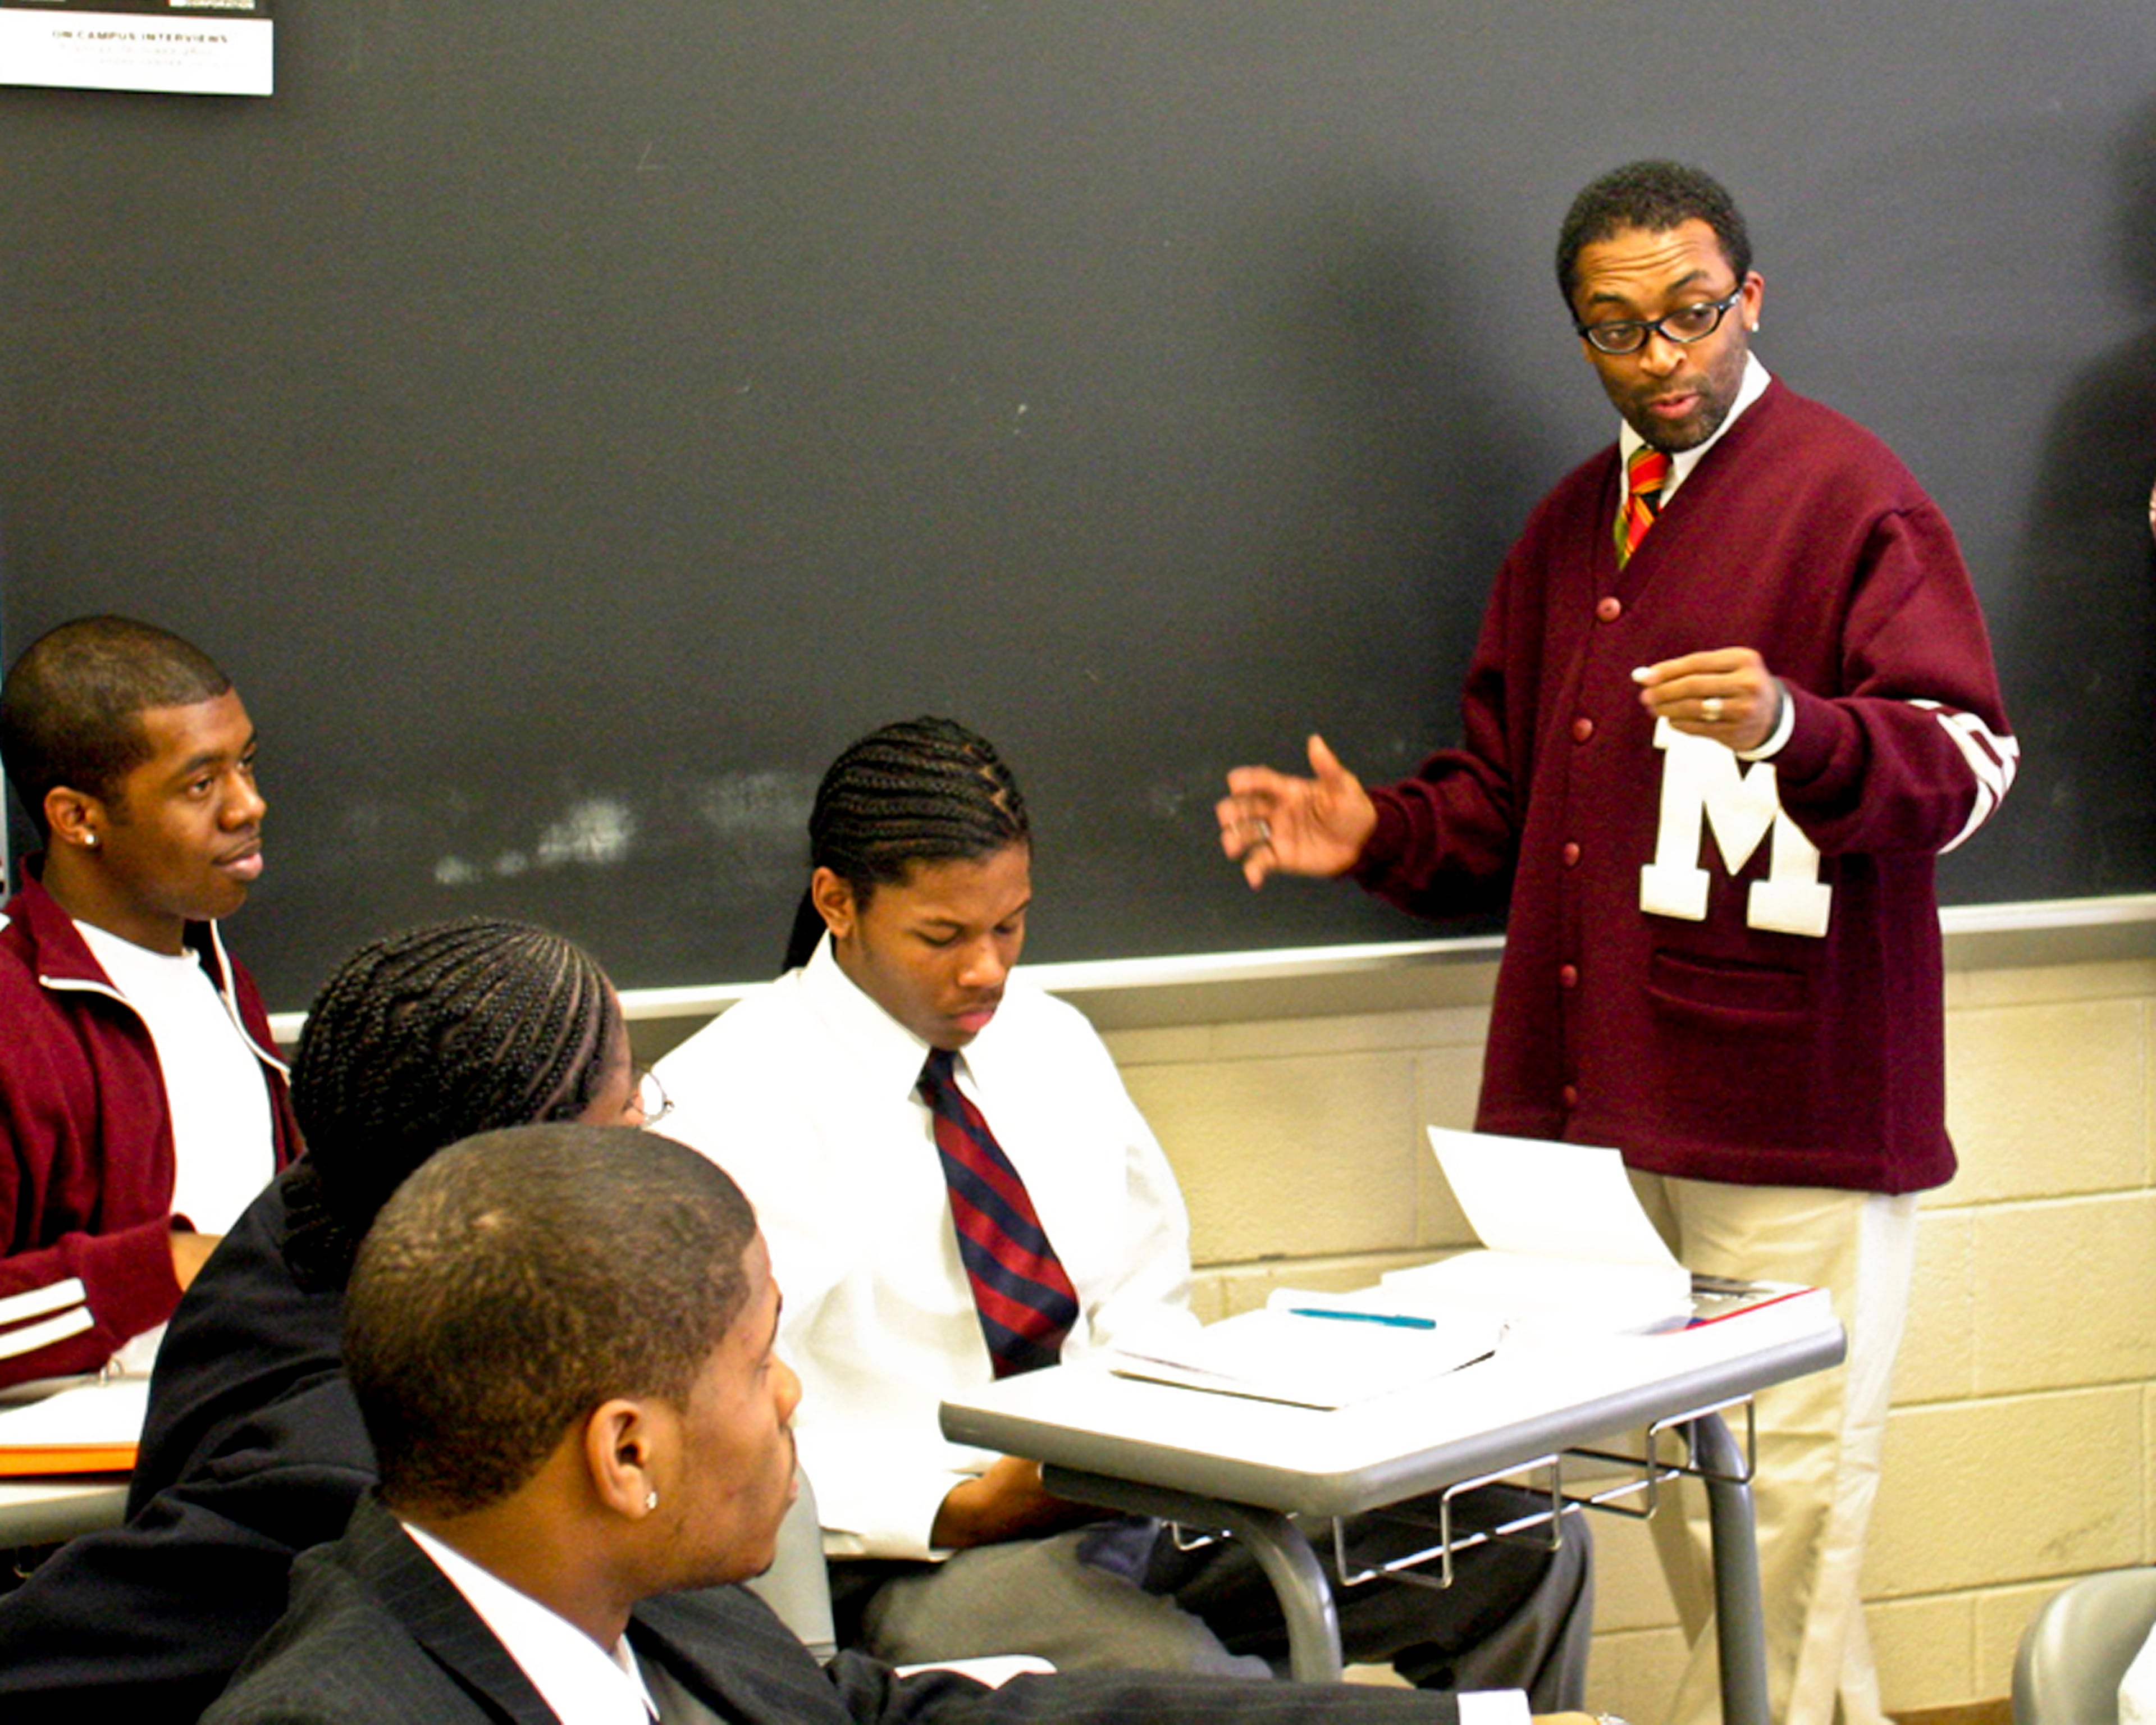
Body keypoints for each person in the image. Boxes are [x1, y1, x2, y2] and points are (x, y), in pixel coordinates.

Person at [1214, 161, 2016, 1725]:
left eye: (1693, 318)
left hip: (1792, 1127)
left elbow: (1970, 765)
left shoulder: (1853, 498)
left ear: (1752, 302)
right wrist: (1379, 834)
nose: (1664, 360)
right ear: (1579, 334)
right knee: (1712, 1538)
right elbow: (1515, 807)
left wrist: (1800, 725)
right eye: (1618, 330)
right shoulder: (1574, 527)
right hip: (1602, 1124)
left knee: (1784, 1528)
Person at [656, 717, 1591, 1703]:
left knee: (1521, 1554)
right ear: (837, 903)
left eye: (1009, 925)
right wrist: (955, 1508)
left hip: (1123, 1503)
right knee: (1191, 1686)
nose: (986, 970)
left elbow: (1146, 1311)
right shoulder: (722, 1107)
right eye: (942, 935)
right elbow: (711, 1428)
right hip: (915, 1555)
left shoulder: (1048, 1041)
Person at [207, 1121, 1587, 1725]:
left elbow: (930, 1718)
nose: (790, 1397)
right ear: (627, 1454)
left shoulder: (657, 1615)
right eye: (760, 1365)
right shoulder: (338, 1712)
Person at [0, 918, 646, 1722]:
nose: (646, 1133)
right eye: (627, 1107)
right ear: (517, 1175)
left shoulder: (341, 1193)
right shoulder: (353, 1477)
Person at [0, 614, 296, 1386]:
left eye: (248, 766)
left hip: (247, 1428)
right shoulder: (13, 1016)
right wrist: (159, 1267)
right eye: (201, 785)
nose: (247, 806)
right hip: (92, 1497)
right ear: (78, 818)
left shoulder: (214, 969)